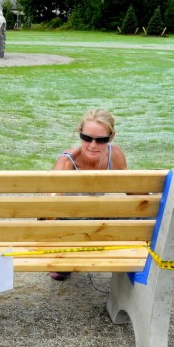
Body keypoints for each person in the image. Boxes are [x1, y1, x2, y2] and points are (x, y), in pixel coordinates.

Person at [49, 109, 128, 281]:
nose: (93, 145)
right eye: (87, 138)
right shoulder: (68, 162)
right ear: (80, 134)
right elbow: (139, 193)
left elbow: (50, 209)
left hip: (88, 223)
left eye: (101, 140)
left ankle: (65, 259)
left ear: (111, 137)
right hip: (72, 227)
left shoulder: (66, 163)